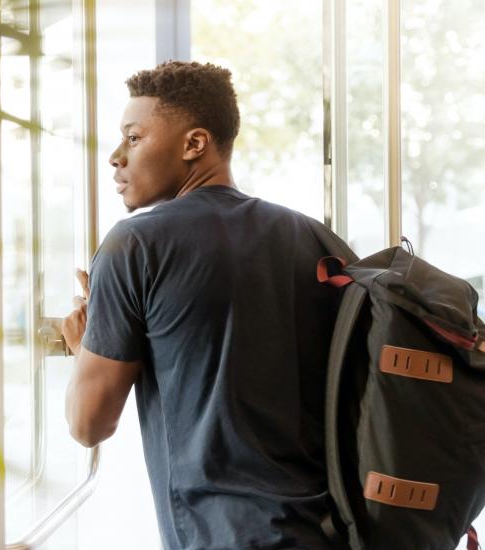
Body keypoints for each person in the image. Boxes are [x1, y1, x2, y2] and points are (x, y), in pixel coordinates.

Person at [61, 61, 346, 549]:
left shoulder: (135, 244)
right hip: (328, 531)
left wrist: (88, 343)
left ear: (195, 144)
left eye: (133, 138)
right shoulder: (312, 237)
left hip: (218, 536)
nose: (115, 157)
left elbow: (89, 424)